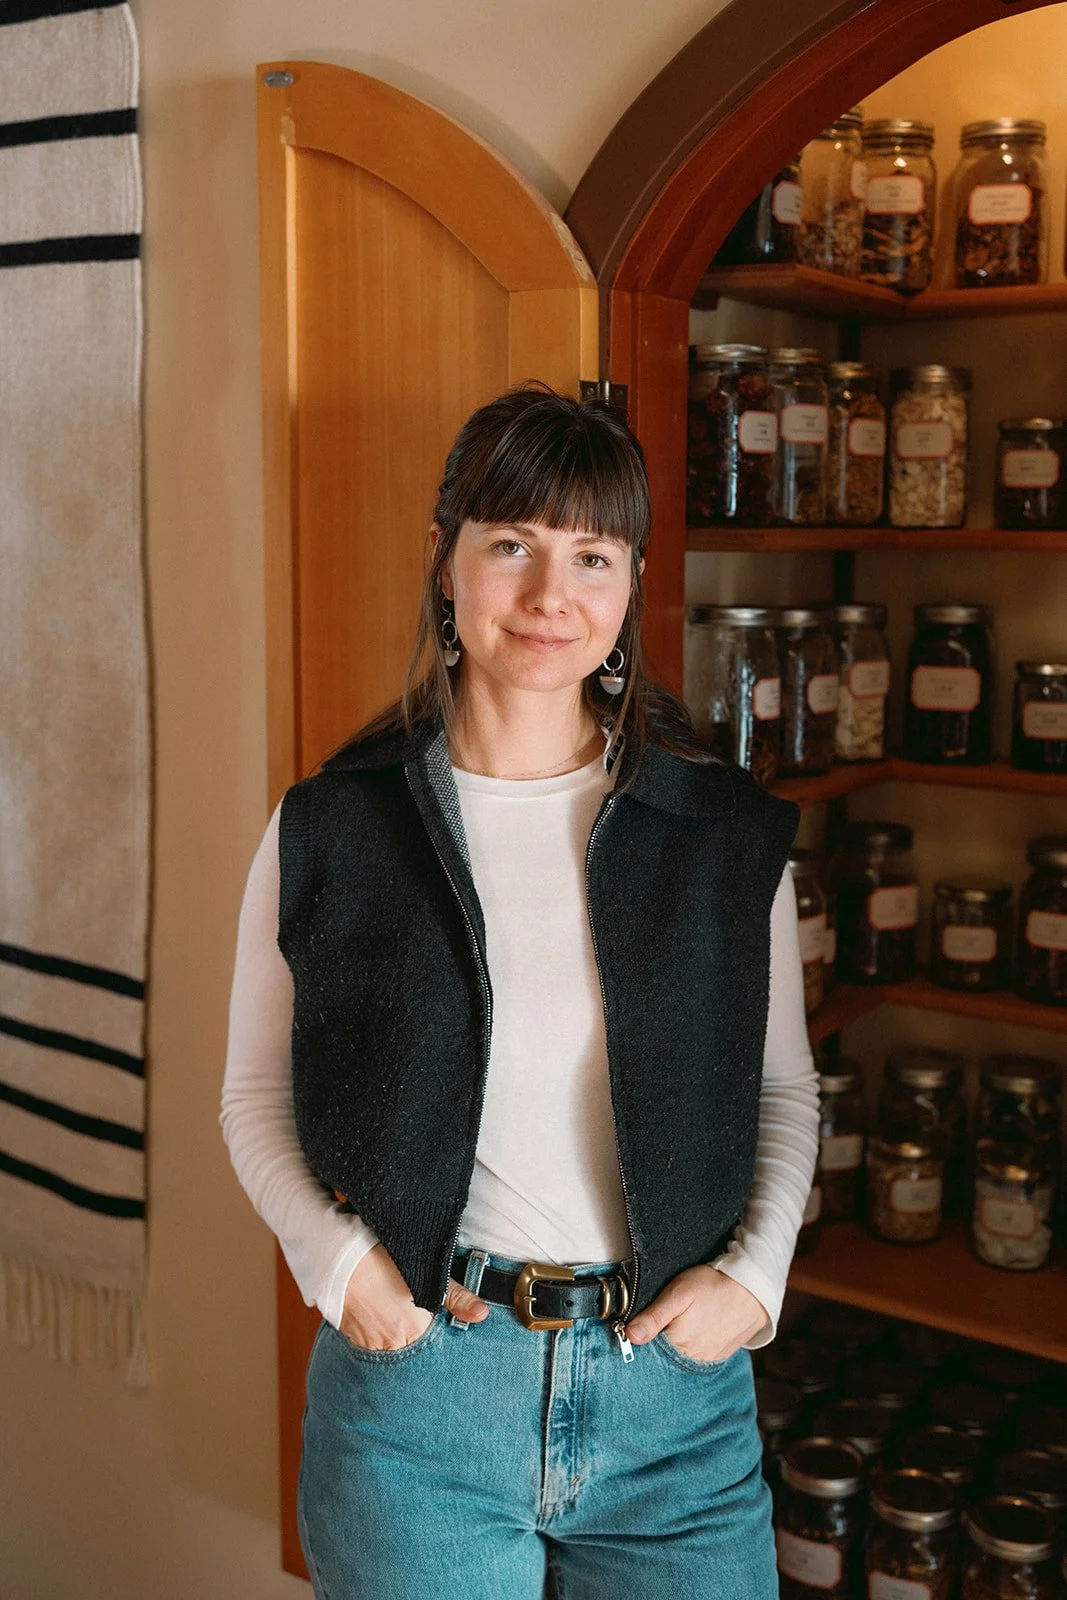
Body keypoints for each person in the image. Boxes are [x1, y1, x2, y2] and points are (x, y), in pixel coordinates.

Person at [221, 383, 819, 1600]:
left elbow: (781, 1090)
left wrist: (752, 1285)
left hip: (675, 1412)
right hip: (421, 1405)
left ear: (629, 584)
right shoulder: (328, 826)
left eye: (590, 555)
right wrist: (338, 1269)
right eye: (511, 546)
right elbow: (250, 1096)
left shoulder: (719, 836)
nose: (552, 597)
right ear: (446, 564)